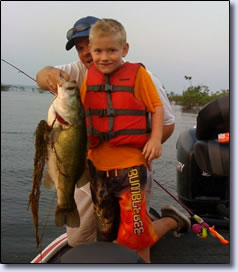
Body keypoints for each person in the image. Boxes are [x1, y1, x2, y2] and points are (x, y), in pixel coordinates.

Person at [36, 16, 190, 262]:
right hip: (92, 169)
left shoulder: (141, 75)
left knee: (133, 241)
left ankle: (170, 222)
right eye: (82, 48)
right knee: (86, 239)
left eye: (92, 45)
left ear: (121, 48)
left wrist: (148, 147)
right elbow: (42, 76)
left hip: (131, 169)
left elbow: (166, 121)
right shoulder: (78, 75)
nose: (90, 53)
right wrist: (51, 75)